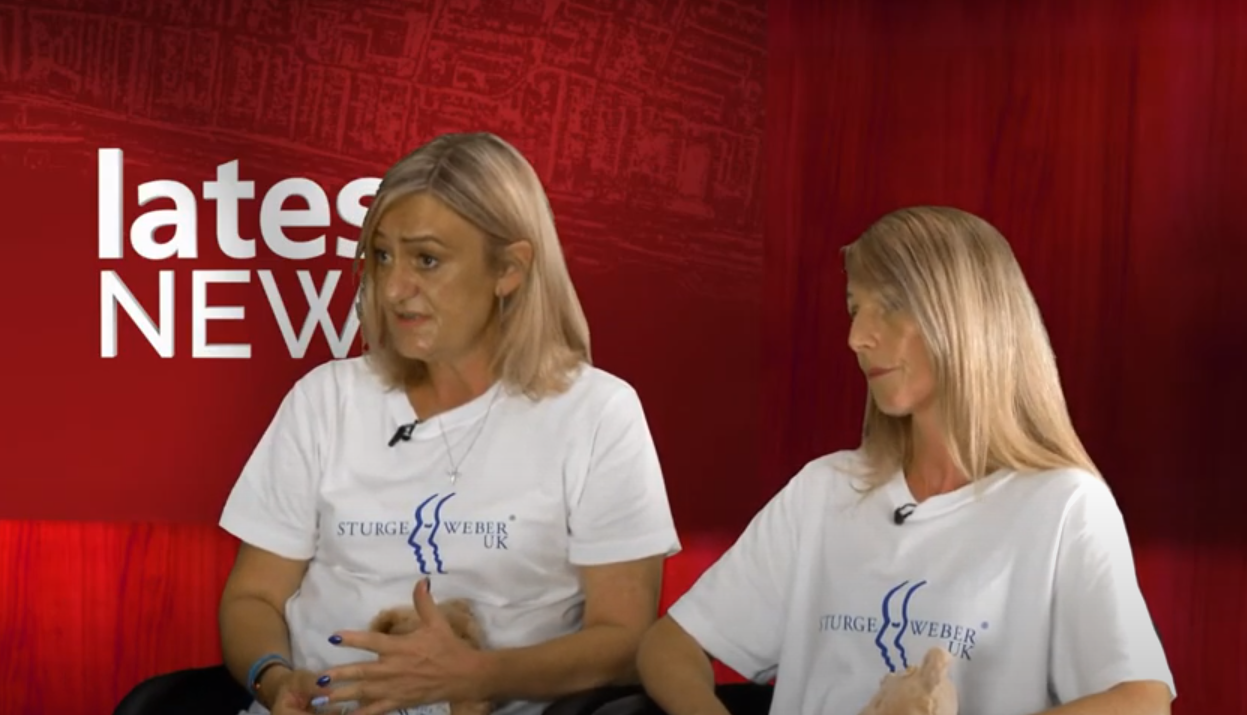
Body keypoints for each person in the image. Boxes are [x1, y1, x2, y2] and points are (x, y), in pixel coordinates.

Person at [636, 207, 1175, 715]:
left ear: (965, 316)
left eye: (890, 304)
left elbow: (1143, 701)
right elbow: (670, 647)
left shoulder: (1064, 505)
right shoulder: (823, 490)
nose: (856, 337)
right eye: (854, 308)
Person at [217, 132, 681, 715]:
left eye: (427, 260)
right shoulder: (325, 399)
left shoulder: (598, 413)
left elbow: (626, 639)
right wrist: (276, 680)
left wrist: (478, 677)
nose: (393, 288)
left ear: (509, 269)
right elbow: (253, 597)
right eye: (382, 256)